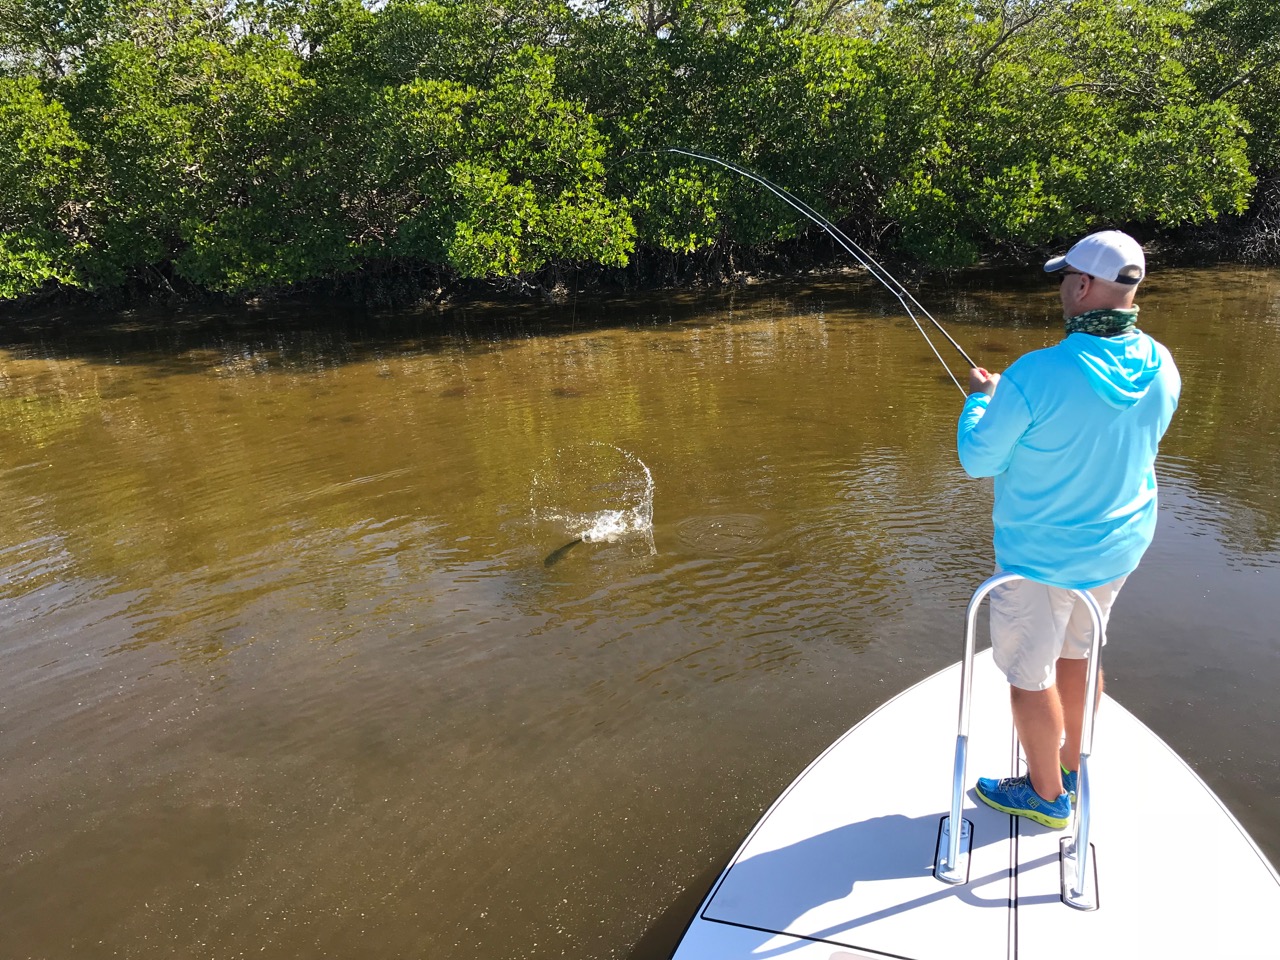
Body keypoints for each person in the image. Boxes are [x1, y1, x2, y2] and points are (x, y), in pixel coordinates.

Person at [955, 230, 1181, 829]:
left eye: (1064, 278)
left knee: (1031, 675)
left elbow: (980, 458)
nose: (1060, 287)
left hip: (1039, 559)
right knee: (1080, 653)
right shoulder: (1163, 364)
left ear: (1083, 286)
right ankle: (1074, 769)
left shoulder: (1034, 375)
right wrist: (1017, 403)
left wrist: (982, 401)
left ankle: (1047, 794)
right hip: (1116, 552)